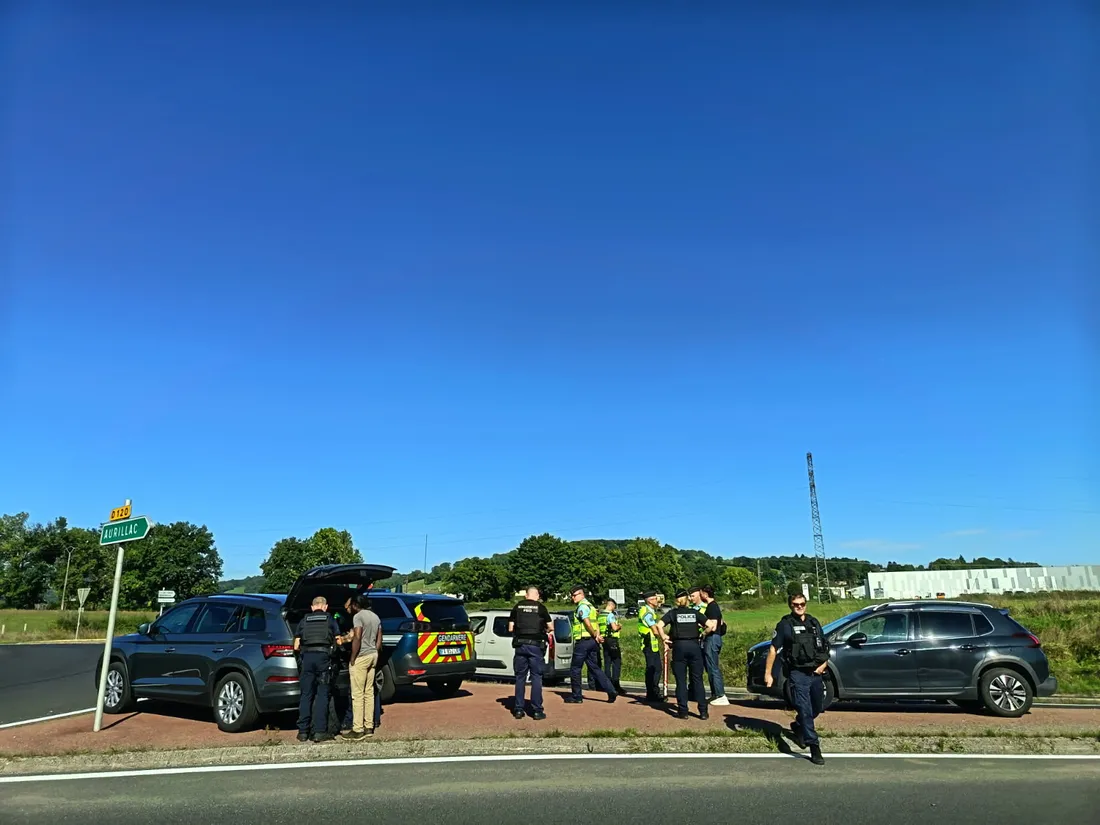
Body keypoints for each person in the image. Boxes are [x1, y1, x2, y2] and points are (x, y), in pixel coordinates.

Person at [764, 593, 830, 765]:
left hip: (815, 672)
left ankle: (799, 726)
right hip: (797, 673)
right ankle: (814, 746)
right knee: (805, 709)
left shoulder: (814, 623)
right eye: (795, 605)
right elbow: (773, 649)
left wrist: (824, 664)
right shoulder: (785, 625)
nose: (799, 607)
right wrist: (768, 673)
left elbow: (824, 646)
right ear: (790, 606)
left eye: (802, 604)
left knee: (817, 707)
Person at [293, 595, 341, 743]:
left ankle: (303, 732)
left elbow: (295, 646)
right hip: (323, 659)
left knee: (306, 694)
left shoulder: (304, 621)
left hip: (307, 659)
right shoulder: (330, 620)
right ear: (325, 607)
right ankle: (319, 731)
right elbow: (338, 641)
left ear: (312, 607)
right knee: (322, 695)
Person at [658, 589, 708, 719]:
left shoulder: (673, 613)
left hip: (679, 647)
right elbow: (710, 625)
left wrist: (664, 637)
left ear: (676, 600)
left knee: (681, 681)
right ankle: (703, 711)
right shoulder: (694, 613)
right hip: (694, 646)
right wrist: (703, 634)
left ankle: (683, 711)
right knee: (697, 680)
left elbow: (659, 625)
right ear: (688, 599)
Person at [565, 586, 618, 704]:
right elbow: (596, 623)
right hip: (592, 642)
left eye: (574, 595)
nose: (572, 598)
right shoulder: (591, 607)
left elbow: (587, 622)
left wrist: (594, 633)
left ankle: (576, 696)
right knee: (594, 668)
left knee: (575, 669)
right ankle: (611, 690)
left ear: (581, 594)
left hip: (583, 642)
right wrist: (597, 636)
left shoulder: (582, 607)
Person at [508, 585, 554, 720]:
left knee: (520, 677)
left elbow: (511, 628)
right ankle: (537, 711)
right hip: (536, 646)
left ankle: (518, 709)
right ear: (537, 595)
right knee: (536, 677)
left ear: (526, 595)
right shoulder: (541, 608)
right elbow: (550, 627)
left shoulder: (517, 607)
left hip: (520, 645)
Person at [343, 592, 381, 741]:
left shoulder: (358, 617)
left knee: (357, 694)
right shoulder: (375, 616)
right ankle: (369, 726)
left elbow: (357, 637)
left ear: (355, 605)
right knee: (369, 692)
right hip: (373, 655)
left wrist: (353, 657)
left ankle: (357, 728)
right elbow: (379, 638)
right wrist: (375, 652)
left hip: (362, 656)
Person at [701, 585, 728, 705]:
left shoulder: (712, 607)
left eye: (701, 593)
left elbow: (713, 626)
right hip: (715, 639)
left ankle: (720, 694)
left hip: (712, 639)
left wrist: (703, 633)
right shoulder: (715, 607)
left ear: (705, 594)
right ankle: (715, 694)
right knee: (711, 666)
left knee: (712, 666)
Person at [637, 591, 666, 702]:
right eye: (654, 599)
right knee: (653, 668)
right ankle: (652, 693)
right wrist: (664, 638)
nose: (657, 601)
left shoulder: (650, 610)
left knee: (656, 668)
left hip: (652, 644)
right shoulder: (646, 611)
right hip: (648, 643)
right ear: (649, 600)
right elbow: (654, 628)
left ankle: (653, 692)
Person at [600, 599, 627, 695]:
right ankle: (616, 685)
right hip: (612, 640)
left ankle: (607, 685)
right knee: (616, 662)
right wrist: (619, 626)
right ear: (611, 605)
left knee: (607, 663)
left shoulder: (601, 615)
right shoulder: (610, 615)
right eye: (614, 607)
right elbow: (614, 628)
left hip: (604, 640)